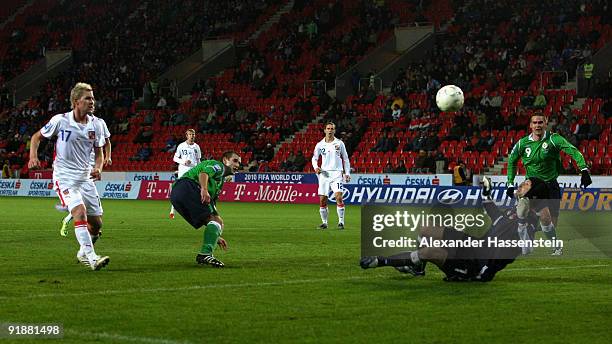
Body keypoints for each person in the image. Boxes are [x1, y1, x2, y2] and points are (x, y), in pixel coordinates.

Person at [360, 177, 540, 282]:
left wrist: (523, 220)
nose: (521, 184)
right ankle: (418, 268)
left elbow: (526, 248)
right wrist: (486, 192)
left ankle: (380, 261)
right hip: (473, 245)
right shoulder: (511, 212)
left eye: (527, 184)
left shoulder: (531, 220)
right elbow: (494, 214)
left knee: (430, 251)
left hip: (478, 266)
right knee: (426, 227)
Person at [28, 82, 110, 270]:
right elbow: (36, 137)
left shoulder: (97, 124)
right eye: (88, 98)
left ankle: (83, 251)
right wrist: (33, 157)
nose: (92, 102)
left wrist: (98, 168)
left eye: (93, 98)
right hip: (64, 176)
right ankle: (91, 257)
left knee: (96, 225)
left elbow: (99, 152)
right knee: (79, 212)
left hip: (85, 179)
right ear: (76, 101)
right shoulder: (60, 120)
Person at [506, 113, 592, 255]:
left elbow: (573, 151)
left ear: (546, 124)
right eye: (535, 122)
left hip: (550, 185)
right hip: (532, 186)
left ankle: (530, 226)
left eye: (540, 122)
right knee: (538, 215)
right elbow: (512, 161)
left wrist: (583, 169)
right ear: (530, 125)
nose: (538, 125)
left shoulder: (554, 139)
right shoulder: (522, 143)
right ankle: (546, 244)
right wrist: (510, 183)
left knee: (551, 222)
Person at [169, 151, 241, 267]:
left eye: (239, 163)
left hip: (177, 195)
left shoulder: (220, 181)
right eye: (235, 161)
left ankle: (206, 252)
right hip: (188, 186)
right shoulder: (218, 166)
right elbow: (203, 173)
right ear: (225, 160)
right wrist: (204, 189)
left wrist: (215, 235)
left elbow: (211, 208)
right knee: (216, 221)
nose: (237, 165)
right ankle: (205, 254)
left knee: (218, 222)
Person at [59, 114, 112, 236]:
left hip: (94, 167)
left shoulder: (100, 122)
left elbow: (107, 141)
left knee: (90, 206)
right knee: (88, 206)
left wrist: (108, 156)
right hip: (81, 168)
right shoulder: (73, 122)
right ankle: (75, 220)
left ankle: (70, 216)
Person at [312, 122, 351, 230]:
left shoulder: (339, 143)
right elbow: (314, 158)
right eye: (328, 128)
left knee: (339, 197)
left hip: (337, 173)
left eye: (332, 129)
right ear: (324, 130)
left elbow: (346, 159)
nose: (330, 130)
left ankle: (341, 222)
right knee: (322, 200)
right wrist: (316, 167)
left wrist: (347, 173)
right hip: (324, 174)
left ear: (334, 130)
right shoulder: (320, 144)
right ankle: (324, 223)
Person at [169, 129, 201, 219]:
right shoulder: (181, 146)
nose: (192, 136)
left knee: (194, 190)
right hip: (183, 170)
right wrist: (183, 161)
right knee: (179, 190)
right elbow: (175, 158)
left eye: (193, 134)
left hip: (194, 170)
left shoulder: (197, 147)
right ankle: (172, 210)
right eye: (190, 134)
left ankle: (194, 210)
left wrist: (199, 170)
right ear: (186, 135)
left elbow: (198, 160)